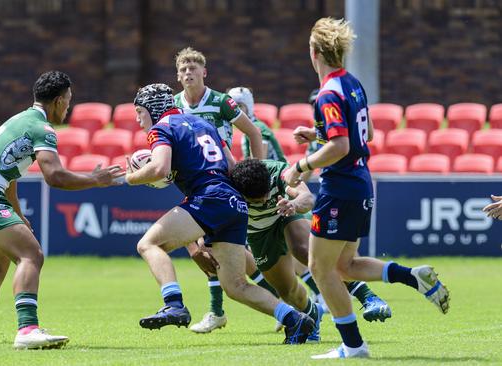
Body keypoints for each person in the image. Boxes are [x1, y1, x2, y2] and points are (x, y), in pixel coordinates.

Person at [282, 17, 450, 359]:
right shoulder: (353, 83)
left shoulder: (327, 93)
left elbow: (342, 146)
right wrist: (318, 135)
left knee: (319, 268)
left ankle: (354, 346)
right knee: (345, 266)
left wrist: (301, 166)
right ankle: (413, 277)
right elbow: (367, 134)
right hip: (360, 184)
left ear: (313, 53)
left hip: (339, 188)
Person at [126, 83, 315, 344]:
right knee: (236, 286)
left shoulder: (162, 129)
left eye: (139, 111)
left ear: (153, 108)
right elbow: (231, 166)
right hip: (233, 201)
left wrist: (131, 177)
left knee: (148, 244)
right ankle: (294, 319)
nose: (137, 119)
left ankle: (174, 304)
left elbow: (159, 168)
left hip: (209, 198)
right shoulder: (205, 125)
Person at [0, 71, 124, 349]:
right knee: (31, 254)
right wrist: (95, 179)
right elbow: (54, 176)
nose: (68, 108)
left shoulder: (18, 120)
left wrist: (17, 214)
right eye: (68, 101)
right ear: (57, 101)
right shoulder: (42, 129)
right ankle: (27, 330)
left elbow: (9, 175)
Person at [228, 88, 391, 328]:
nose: (263, 200)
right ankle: (310, 313)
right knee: (287, 290)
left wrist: (293, 204)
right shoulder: (231, 190)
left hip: (288, 209)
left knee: (305, 250)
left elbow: (308, 198)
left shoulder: (277, 172)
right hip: (260, 229)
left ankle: (366, 295)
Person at [173, 47, 270, 333]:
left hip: (221, 180)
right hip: (193, 181)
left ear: (205, 72)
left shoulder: (220, 102)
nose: (188, 72)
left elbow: (253, 132)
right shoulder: (175, 105)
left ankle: (218, 312)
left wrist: (256, 172)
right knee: (216, 250)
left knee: (203, 246)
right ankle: (278, 300)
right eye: (183, 69)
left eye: (194, 68)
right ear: (178, 76)